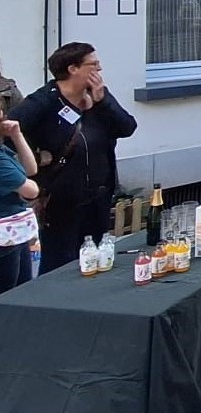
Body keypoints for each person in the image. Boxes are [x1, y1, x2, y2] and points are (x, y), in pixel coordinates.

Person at [12, 42, 137, 273]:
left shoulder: (99, 98)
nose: (99, 70)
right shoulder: (44, 101)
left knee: (96, 259)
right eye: (93, 65)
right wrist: (37, 158)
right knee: (60, 266)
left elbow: (127, 127)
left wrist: (104, 103)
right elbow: (11, 134)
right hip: (61, 202)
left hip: (98, 196)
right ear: (73, 69)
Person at [0, 108, 41, 292]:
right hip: (5, 234)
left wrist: (17, 135)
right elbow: (31, 190)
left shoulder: (2, 149)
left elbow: (31, 169)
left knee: (23, 287)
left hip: (16, 231)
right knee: (10, 292)